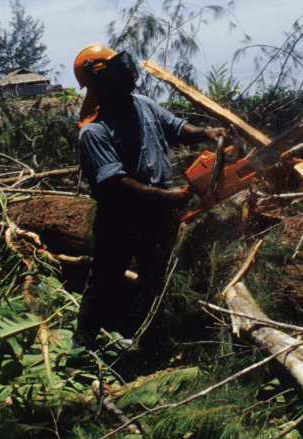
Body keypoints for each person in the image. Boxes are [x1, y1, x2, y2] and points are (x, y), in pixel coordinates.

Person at [73, 44, 226, 339]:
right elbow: (117, 185)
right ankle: (82, 345)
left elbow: (178, 129)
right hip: (118, 218)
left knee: (159, 277)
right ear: (99, 80)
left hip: (156, 215)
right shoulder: (94, 132)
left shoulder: (142, 104)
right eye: (116, 70)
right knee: (103, 281)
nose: (125, 74)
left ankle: (157, 339)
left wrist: (206, 133)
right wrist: (167, 197)